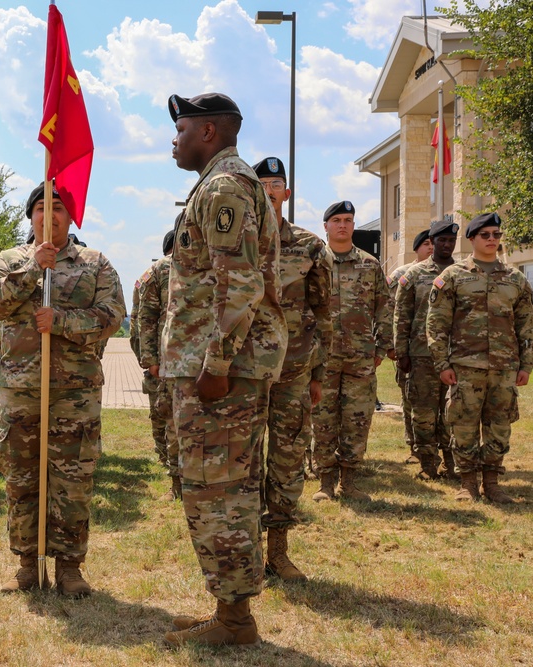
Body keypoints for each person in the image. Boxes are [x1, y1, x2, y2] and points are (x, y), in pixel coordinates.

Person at [160, 93, 286, 648]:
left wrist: (215, 364)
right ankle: (229, 610)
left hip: (220, 372)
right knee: (224, 486)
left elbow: (239, 283)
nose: (174, 138)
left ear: (208, 132)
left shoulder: (224, 187)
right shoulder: (220, 184)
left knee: (220, 491)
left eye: (181, 127)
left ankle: (234, 620)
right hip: (221, 366)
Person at [0, 181, 125, 597]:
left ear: (71, 216)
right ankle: (26, 564)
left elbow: (112, 316)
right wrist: (30, 272)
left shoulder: (95, 264)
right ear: (31, 217)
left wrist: (60, 321)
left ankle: (70, 568)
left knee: (72, 480)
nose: (50, 214)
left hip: (74, 394)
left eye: (59, 207)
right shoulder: (9, 260)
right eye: (42, 207)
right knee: (21, 478)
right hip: (21, 391)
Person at [251, 156, 331, 583]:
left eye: (275, 184)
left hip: (293, 371)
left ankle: (279, 553)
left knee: (286, 460)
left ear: (287, 192)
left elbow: (324, 311)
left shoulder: (308, 245)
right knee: (243, 462)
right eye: (260, 183)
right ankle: (247, 556)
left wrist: (317, 375)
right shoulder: (237, 241)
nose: (268, 190)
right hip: (243, 372)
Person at [426, 212, 533, 503]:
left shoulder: (516, 280)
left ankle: (493, 482)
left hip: (504, 367)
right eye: (485, 235)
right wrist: (442, 363)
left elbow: (526, 325)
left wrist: (526, 364)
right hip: (465, 366)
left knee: (499, 426)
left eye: (496, 235)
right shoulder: (453, 276)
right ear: (472, 238)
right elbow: (436, 323)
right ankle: (468, 483)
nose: (491, 240)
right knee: (464, 424)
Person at [311, 201, 393, 503]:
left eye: (348, 219)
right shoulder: (315, 263)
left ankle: (350, 480)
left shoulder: (369, 265)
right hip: (323, 357)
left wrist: (382, 346)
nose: (342, 225)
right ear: (326, 226)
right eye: (336, 220)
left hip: (360, 356)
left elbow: (384, 308)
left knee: (357, 420)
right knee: (322, 419)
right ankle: (325, 481)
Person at [394, 220, 459, 480]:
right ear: (432, 243)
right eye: (441, 240)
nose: (447, 244)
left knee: (453, 413)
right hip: (421, 355)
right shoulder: (414, 274)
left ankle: (451, 463)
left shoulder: (463, 272)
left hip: (455, 355)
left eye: (451, 241)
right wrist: (402, 353)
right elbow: (402, 316)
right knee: (423, 412)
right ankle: (427, 464)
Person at [129, 228, 177, 500]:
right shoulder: (157, 272)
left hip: (184, 357)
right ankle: (169, 463)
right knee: (165, 412)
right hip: (165, 357)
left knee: (167, 413)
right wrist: (149, 359)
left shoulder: (204, 264)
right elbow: (143, 317)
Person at [389, 229, 434, 465]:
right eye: (426, 244)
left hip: (437, 351)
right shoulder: (402, 274)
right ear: (416, 248)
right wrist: (393, 345)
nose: (431, 248)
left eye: (432, 243)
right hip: (411, 348)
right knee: (410, 399)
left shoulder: (448, 271)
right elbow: (390, 311)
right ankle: (414, 447)